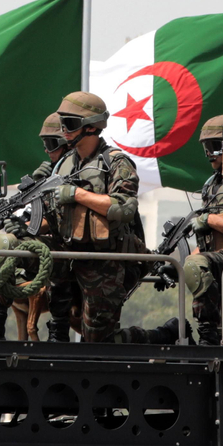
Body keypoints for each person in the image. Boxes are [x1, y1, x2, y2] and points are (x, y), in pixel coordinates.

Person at [44, 92, 146, 342]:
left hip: (104, 263)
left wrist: (78, 194)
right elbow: (54, 215)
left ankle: (153, 338)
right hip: (69, 260)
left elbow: (124, 208)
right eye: (62, 123)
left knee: (99, 342)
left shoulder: (115, 162)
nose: (63, 130)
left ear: (91, 127)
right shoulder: (65, 163)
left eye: (69, 123)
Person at [0, 113, 70, 341]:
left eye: (51, 145)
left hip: (72, 247)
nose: (47, 152)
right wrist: (16, 223)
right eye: (44, 145)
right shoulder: (51, 171)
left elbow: (65, 220)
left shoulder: (77, 171)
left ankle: (58, 333)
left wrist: (30, 228)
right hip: (48, 245)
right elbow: (36, 214)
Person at [175, 114, 223, 345]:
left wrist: (209, 219)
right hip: (222, 262)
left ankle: (207, 337)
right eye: (206, 148)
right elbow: (208, 239)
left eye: (215, 147)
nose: (210, 154)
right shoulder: (212, 184)